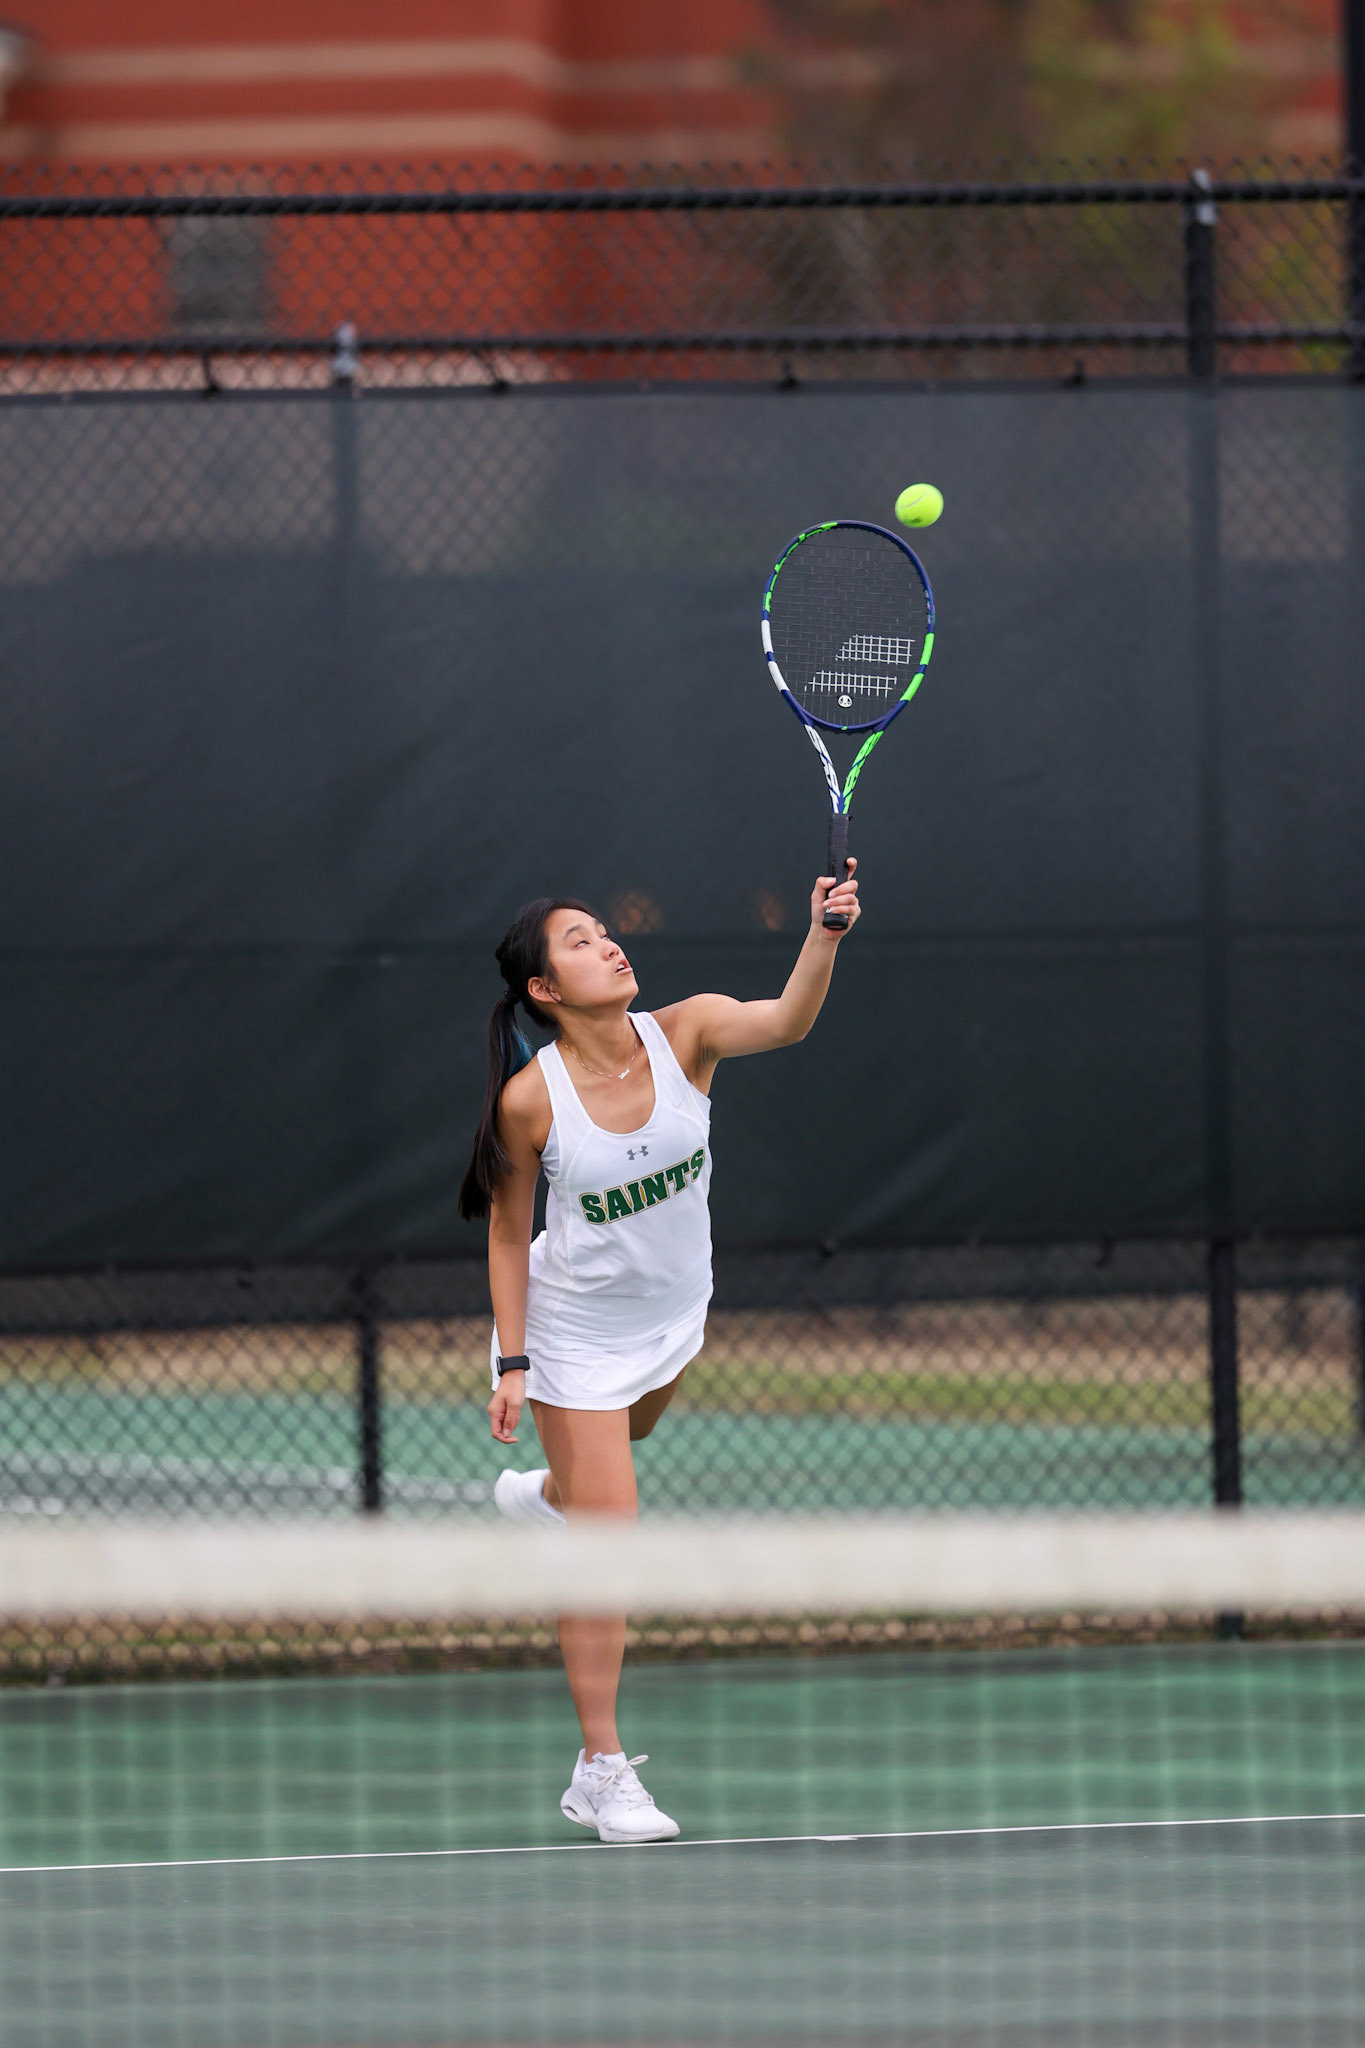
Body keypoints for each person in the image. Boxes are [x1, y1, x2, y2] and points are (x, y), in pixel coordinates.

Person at [458, 864, 861, 1843]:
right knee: (615, 1535)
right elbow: (509, 1235)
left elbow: (789, 1019)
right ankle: (600, 1767)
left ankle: (552, 1496)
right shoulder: (530, 1101)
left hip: (677, 1312)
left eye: (605, 931)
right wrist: (514, 1361)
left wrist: (824, 934)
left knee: (609, 1471)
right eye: (581, 941)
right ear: (546, 989)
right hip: (573, 1334)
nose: (609, 944)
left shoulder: (688, 1031)